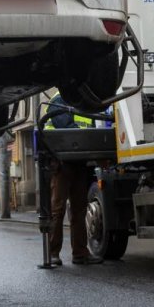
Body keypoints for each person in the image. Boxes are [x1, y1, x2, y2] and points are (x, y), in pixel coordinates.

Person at [44, 93, 103, 267]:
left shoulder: (84, 100)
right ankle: (53, 253)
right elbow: (66, 127)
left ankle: (80, 253)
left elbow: (91, 127)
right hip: (61, 162)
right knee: (58, 209)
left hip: (79, 163)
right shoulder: (58, 101)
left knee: (79, 210)